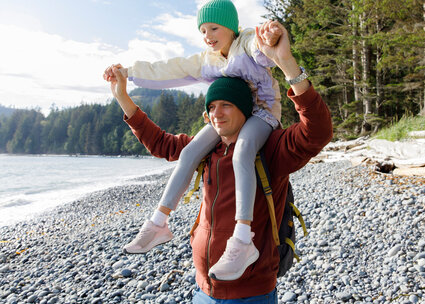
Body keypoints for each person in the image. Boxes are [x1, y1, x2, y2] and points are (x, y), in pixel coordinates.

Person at [104, 20, 333, 302]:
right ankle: (157, 225)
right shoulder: (207, 150)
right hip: (204, 287)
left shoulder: (271, 149)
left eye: (227, 105)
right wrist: (123, 97)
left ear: (245, 109)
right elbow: (161, 143)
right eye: (211, 107)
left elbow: (318, 132)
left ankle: (241, 240)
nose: (217, 114)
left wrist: (286, 63)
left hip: (251, 293)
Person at [103, 0, 284, 280]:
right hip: (229, 115)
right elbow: (170, 68)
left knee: (243, 151)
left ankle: (242, 238)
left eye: (213, 28)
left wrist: (269, 37)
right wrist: (128, 73)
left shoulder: (245, 43)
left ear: (231, 27)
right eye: (202, 31)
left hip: (261, 113)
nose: (207, 36)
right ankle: (159, 223)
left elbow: (261, 48)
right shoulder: (207, 61)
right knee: (188, 153)